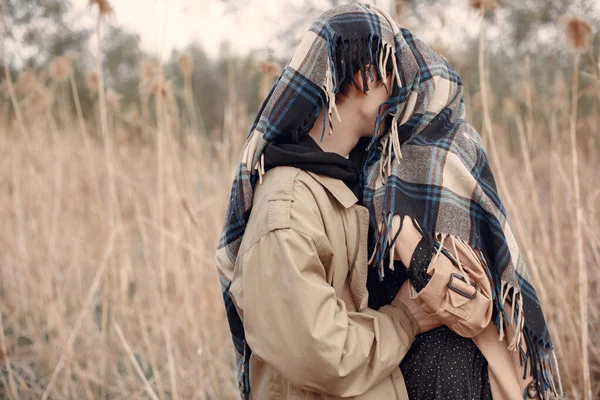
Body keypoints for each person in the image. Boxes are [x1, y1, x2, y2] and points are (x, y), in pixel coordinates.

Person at [217, 3, 560, 400]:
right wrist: (404, 321)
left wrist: (413, 247)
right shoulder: (288, 204)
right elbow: (317, 353)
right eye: (392, 76)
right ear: (366, 77)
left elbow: (475, 309)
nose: (402, 93)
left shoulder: (366, 184)